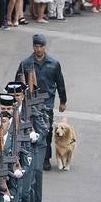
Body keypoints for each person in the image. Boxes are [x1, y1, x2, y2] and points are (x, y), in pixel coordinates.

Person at [16, 34, 67, 171]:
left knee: (46, 130)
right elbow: (17, 84)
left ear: (45, 47)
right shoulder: (25, 64)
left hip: (46, 103)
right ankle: (28, 157)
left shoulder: (53, 63)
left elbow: (60, 83)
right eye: (36, 46)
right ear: (33, 46)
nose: (38, 49)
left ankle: (45, 158)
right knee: (28, 130)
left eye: (41, 46)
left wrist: (63, 101)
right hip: (29, 103)